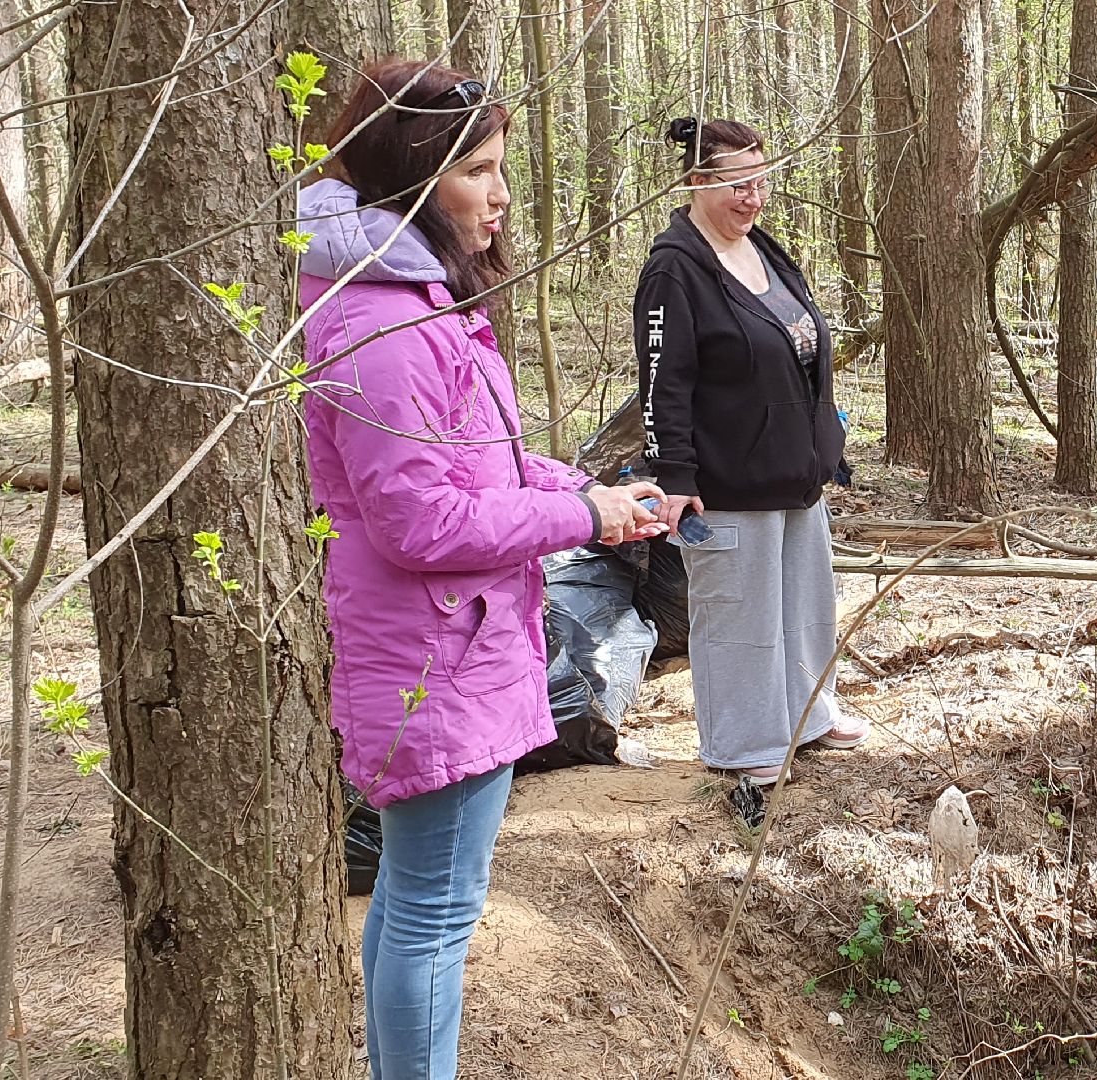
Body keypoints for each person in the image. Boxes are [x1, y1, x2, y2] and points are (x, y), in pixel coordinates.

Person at [297, 59, 663, 1078]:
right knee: (432, 912)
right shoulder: (384, 327)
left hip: (456, 643)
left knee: (417, 898)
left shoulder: (413, 300)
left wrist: (594, 495)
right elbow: (419, 522)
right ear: (414, 175)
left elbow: (472, 465)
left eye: (501, 169)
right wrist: (574, 513)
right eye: (479, 171)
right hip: (434, 653)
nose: (500, 195)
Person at [634, 117, 866, 780]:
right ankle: (748, 748)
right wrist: (674, 476)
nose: (753, 197)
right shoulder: (674, 271)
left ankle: (808, 717)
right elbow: (661, 385)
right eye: (737, 184)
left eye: (761, 181)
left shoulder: (762, 247)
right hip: (727, 482)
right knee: (738, 619)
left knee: (804, 607)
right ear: (697, 182)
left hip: (796, 476)